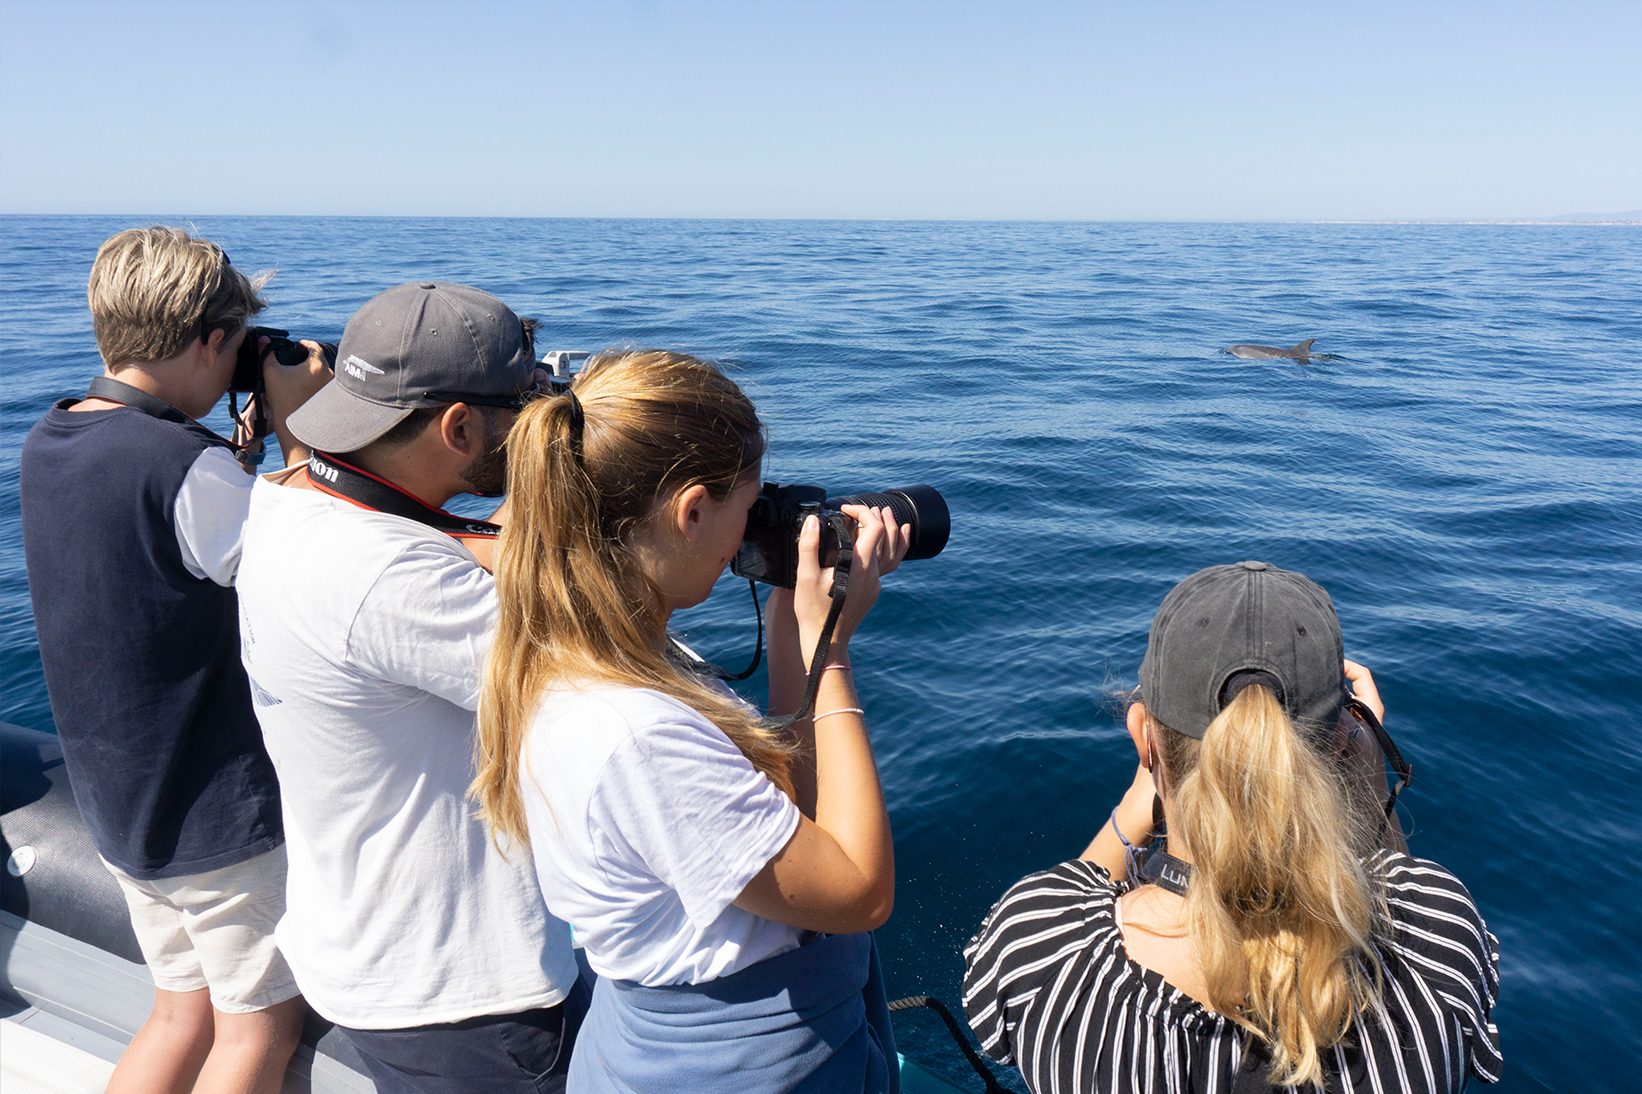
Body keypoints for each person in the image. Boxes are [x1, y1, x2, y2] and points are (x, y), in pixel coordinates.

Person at [472, 350, 911, 1091]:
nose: (753, 530)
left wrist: (791, 623)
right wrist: (831, 654)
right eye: (751, 507)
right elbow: (860, 891)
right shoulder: (635, 732)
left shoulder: (593, 656)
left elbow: (784, 815)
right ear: (693, 511)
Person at [962, 561, 1503, 1093]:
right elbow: (1401, 895)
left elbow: (1066, 902)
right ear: (1342, 739)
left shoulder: (1044, 955)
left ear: (1143, 735)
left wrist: (1140, 795)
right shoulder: (1436, 946)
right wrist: (1368, 786)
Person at [234, 281, 583, 1093]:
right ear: (458, 427)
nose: (539, 418)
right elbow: (596, 689)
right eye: (524, 405)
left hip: (364, 936)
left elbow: (422, 545)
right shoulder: (388, 576)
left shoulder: (288, 500)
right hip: (463, 994)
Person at [19, 226, 328, 1093]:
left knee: (178, 1013)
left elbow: (160, 531)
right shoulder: (184, 467)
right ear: (211, 340)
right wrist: (300, 439)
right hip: (215, 818)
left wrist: (235, 456)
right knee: (258, 1030)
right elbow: (308, 565)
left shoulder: (51, 437)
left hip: (123, 807)